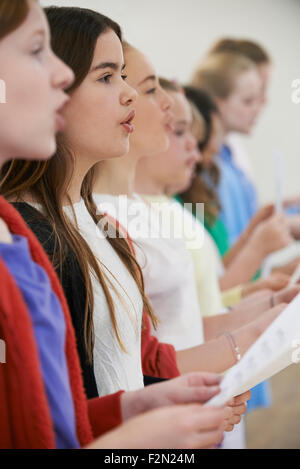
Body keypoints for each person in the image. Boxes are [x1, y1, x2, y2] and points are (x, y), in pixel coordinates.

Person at [0, 0, 235, 449]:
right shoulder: (35, 238)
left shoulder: (97, 225)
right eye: (108, 77)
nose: (129, 95)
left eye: (126, 77)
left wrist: (141, 409)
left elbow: (125, 373)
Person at [92, 43, 299, 377]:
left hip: (198, 390)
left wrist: (270, 306)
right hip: (180, 397)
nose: (166, 107)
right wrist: (260, 317)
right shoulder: (106, 217)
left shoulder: (147, 207)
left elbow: (191, 315)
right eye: (180, 131)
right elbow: (143, 361)